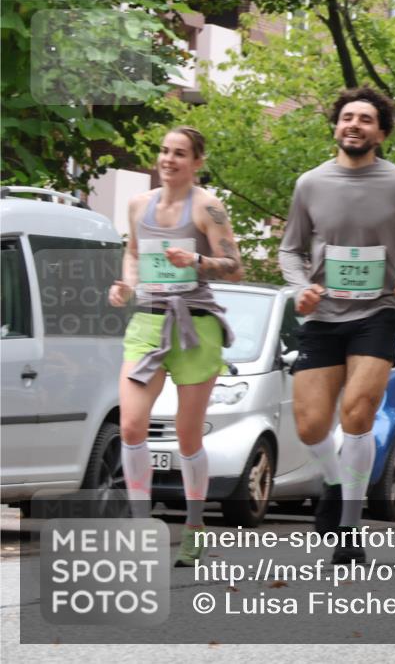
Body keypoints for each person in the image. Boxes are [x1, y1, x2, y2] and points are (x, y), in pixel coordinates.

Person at [279, 86, 395, 564]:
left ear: (382, 132)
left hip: (379, 311)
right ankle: (335, 485)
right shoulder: (310, 183)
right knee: (311, 425)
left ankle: (349, 527)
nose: (354, 124)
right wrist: (298, 287)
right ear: (335, 126)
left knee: (357, 413)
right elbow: (289, 249)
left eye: (366, 119)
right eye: (346, 117)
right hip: (324, 313)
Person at [108, 126, 243, 566]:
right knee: (131, 426)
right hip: (148, 322)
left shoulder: (208, 208)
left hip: (196, 326)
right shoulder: (137, 205)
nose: (168, 159)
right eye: (164, 151)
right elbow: (132, 252)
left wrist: (198, 261)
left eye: (180, 153)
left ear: (196, 162)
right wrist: (127, 286)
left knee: (188, 436)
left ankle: (195, 525)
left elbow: (234, 267)